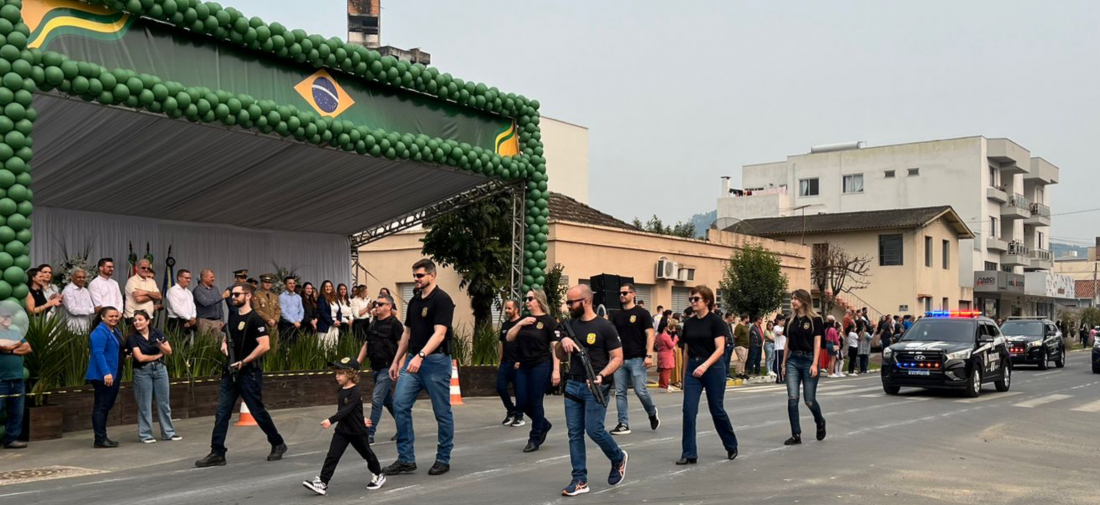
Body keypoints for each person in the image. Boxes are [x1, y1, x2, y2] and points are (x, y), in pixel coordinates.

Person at [195, 282, 287, 467]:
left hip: (249, 373)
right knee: (222, 413)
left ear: (248, 296)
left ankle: (277, 443)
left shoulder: (255, 319)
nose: (233, 297)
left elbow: (264, 345)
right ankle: (217, 452)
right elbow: (228, 338)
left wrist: (244, 362)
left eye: (237, 294)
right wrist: (224, 345)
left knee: (257, 411)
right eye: (232, 294)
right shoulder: (234, 318)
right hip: (230, 372)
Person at [383, 259, 455, 477]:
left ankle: (443, 458)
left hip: (434, 362)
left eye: (420, 275)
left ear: (432, 276)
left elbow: (440, 333)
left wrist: (422, 356)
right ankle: (406, 459)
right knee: (400, 404)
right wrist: (397, 360)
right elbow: (407, 334)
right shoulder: (414, 301)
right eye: (414, 275)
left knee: (441, 412)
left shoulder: (442, 300)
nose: (416, 279)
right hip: (413, 361)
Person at [557, 284, 627, 496]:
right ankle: (579, 479)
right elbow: (559, 354)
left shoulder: (605, 327)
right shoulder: (569, 326)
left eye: (571, 302)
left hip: (596, 384)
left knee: (594, 429)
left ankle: (618, 458)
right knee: (574, 433)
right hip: (573, 385)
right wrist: (563, 341)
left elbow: (618, 358)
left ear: (585, 302)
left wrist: (602, 375)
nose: (568, 306)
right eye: (567, 302)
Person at [302, 357, 386, 495]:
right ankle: (323, 483)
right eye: (336, 373)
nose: (337, 376)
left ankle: (379, 474)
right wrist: (362, 417)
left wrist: (331, 420)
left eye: (340, 373)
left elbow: (346, 410)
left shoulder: (355, 391)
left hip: (357, 431)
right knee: (332, 456)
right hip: (342, 430)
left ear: (351, 374)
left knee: (367, 455)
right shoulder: (342, 390)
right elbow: (350, 409)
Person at [676, 285, 739, 465]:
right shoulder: (688, 323)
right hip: (693, 369)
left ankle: (731, 444)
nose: (693, 302)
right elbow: (686, 352)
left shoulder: (716, 322)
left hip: (713, 368)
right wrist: (683, 377)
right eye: (691, 299)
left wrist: (704, 365)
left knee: (716, 410)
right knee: (688, 410)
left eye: (696, 299)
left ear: (707, 301)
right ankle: (689, 453)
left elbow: (720, 349)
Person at [506, 289, 560, 452]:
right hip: (523, 365)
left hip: (541, 364)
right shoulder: (523, 320)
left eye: (530, 298)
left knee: (536, 401)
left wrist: (556, 370)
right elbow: (509, 337)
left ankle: (535, 437)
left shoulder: (550, 321)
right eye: (526, 299)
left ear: (539, 300)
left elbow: (555, 348)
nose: (527, 301)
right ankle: (543, 424)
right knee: (521, 401)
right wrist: (521, 323)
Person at [609, 283, 658, 436]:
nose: (622, 296)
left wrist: (649, 355)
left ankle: (651, 411)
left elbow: (650, 334)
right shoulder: (616, 315)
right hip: (620, 360)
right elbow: (612, 337)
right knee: (620, 392)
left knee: (640, 390)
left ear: (633, 294)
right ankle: (623, 423)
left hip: (638, 358)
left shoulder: (642, 313)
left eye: (625, 293)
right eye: (620, 293)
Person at [780, 289, 826, 446]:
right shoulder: (790, 321)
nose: (793, 301)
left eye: (796, 299)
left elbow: (817, 342)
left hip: (808, 360)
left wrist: (815, 363)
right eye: (792, 298)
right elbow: (787, 343)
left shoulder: (815, 319)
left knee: (809, 400)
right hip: (793, 360)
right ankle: (796, 434)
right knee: (792, 399)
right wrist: (784, 363)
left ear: (804, 301)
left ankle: (820, 422)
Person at [127, 310, 181, 443]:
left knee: (164, 402)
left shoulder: (157, 333)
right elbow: (139, 357)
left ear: (148, 321)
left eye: (140, 319)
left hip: (160, 369)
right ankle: (145, 434)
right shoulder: (132, 337)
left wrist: (160, 345)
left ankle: (168, 432)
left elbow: (169, 351)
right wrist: (157, 355)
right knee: (144, 403)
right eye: (135, 320)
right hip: (142, 371)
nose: (137, 322)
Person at [356, 294, 402, 444]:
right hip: (375, 368)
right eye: (376, 304)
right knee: (388, 401)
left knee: (376, 400)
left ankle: (369, 433)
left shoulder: (395, 324)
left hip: (388, 368)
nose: (377, 306)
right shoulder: (373, 324)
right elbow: (366, 345)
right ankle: (404, 427)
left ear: (389, 306)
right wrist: (356, 364)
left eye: (381, 304)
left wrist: (399, 365)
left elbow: (402, 345)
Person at [87, 306, 124, 448]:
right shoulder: (99, 332)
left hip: (115, 372)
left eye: (116, 316)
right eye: (111, 316)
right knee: (101, 406)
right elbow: (98, 354)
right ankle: (100, 438)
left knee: (107, 405)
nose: (114, 318)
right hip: (103, 375)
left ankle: (102, 436)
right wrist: (106, 373)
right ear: (103, 317)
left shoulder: (114, 330)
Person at [0, 306, 31, 448]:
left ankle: (11, 439)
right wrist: (17, 346)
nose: (7, 319)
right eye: (3, 316)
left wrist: (12, 348)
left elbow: (28, 348)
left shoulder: (14, 332)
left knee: (17, 412)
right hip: (2, 380)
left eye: (9, 317)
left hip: (17, 379)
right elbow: (3, 347)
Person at [496, 299, 524, 427]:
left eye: (509, 308)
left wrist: (520, 360)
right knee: (500, 387)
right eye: (506, 308)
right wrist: (499, 360)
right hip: (505, 363)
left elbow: (526, 345)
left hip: (518, 363)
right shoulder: (505, 325)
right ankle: (511, 410)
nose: (507, 311)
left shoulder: (522, 324)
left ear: (516, 309)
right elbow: (501, 344)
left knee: (519, 391)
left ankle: (519, 416)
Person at [124, 259, 162, 323]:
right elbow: (139, 299)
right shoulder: (132, 281)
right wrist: (152, 297)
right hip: (134, 318)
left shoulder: (152, 281)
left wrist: (146, 292)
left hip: (149, 317)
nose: (146, 270)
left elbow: (159, 296)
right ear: (136, 268)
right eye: (143, 267)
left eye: (148, 268)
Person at [193, 269, 227, 336]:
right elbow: (205, 302)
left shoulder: (215, 289)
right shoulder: (198, 290)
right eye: (211, 277)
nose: (213, 279)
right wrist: (222, 297)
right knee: (204, 344)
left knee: (217, 344)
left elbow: (219, 305)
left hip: (217, 321)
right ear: (204, 277)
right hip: (204, 321)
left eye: (213, 277)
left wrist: (222, 319)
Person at [166, 270, 197, 337]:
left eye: (190, 278)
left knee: (187, 345)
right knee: (177, 345)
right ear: (179, 278)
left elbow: (193, 306)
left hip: (188, 321)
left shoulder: (188, 292)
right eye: (186, 278)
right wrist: (190, 318)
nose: (189, 280)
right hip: (176, 322)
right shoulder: (173, 291)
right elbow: (176, 309)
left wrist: (193, 318)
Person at [278, 277, 304, 346]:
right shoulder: (282, 297)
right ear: (285, 285)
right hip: (287, 325)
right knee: (287, 347)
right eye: (290, 283)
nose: (292, 285)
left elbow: (301, 310)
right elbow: (283, 312)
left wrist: (299, 320)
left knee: (297, 347)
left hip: (298, 325)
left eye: (293, 283)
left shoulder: (298, 297)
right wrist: (293, 321)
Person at [317, 280, 342, 348]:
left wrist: (339, 320)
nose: (328, 288)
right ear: (323, 288)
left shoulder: (335, 298)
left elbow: (339, 311)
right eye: (326, 286)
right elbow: (323, 312)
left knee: (334, 344)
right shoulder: (321, 298)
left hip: (335, 325)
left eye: (330, 286)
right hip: (325, 325)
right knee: (324, 345)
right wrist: (332, 322)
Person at [656, 319, 679, 391]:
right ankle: (665, 386)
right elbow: (671, 345)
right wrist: (675, 339)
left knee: (662, 372)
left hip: (660, 354)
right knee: (666, 372)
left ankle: (661, 385)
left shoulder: (658, 335)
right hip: (667, 356)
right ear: (665, 327)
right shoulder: (665, 335)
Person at [733, 314, 750, 379]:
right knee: (741, 359)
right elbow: (735, 336)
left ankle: (742, 372)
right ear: (745, 318)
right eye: (748, 318)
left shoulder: (745, 326)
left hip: (746, 346)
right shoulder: (739, 326)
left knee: (744, 360)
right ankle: (738, 372)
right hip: (740, 345)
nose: (749, 320)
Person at [774, 316, 787, 384]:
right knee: (779, 364)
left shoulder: (784, 328)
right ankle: (779, 379)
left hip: (785, 348)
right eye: (782, 320)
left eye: (784, 320)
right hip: (779, 348)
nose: (784, 322)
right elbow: (779, 334)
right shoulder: (776, 327)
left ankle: (784, 377)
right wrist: (786, 330)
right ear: (778, 321)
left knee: (784, 364)